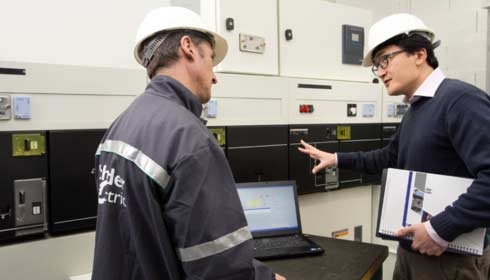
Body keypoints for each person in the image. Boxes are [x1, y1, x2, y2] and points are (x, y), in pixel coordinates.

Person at [91, 6, 285, 280]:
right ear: (188, 48)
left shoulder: (118, 128)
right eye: (211, 59)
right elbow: (219, 265)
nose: (215, 76)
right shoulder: (189, 140)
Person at [298, 13, 490, 279]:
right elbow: (389, 157)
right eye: (377, 65)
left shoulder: (460, 101)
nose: (381, 72)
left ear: (420, 55)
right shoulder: (416, 109)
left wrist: (439, 228)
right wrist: (337, 159)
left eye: (385, 60)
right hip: (413, 251)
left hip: (450, 260)